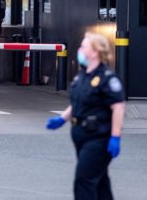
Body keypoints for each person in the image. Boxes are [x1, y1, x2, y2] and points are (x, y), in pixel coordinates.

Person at [46, 32, 125, 200]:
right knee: (100, 180)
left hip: (98, 137)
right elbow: (78, 102)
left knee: (84, 181)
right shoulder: (82, 75)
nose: (80, 49)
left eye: (84, 47)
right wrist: (62, 118)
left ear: (95, 52)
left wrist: (115, 136)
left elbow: (118, 107)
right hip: (80, 134)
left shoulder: (107, 78)